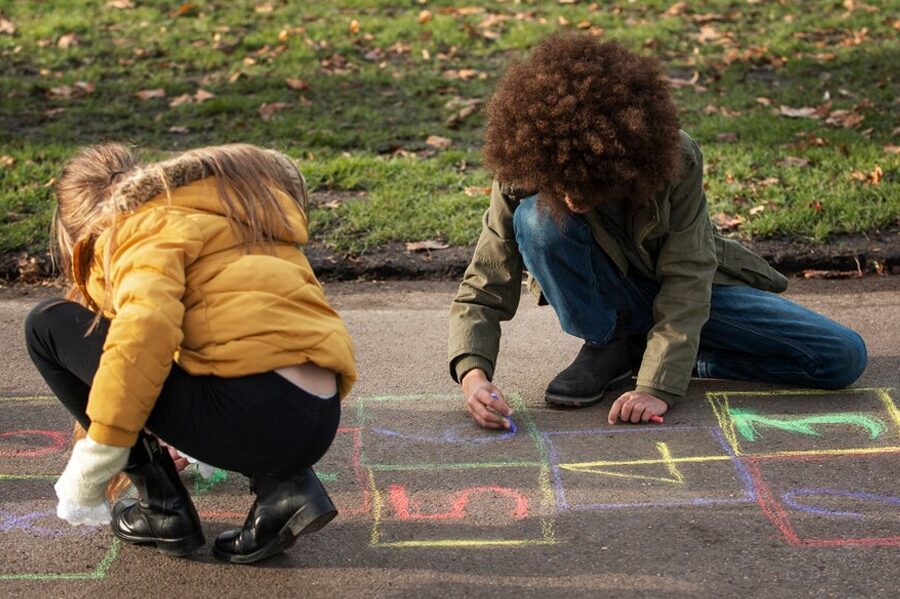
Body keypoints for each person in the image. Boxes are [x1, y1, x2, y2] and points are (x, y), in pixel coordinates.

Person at [448, 33, 867, 429]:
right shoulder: (523, 169)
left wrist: (657, 385)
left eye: (590, 184)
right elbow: (485, 282)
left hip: (679, 289)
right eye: (563, 185)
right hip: (610, 299)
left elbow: (687, 275)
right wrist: (474, 377)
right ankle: (610, 344)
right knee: (537, 219)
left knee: (841, 358)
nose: (574, 198)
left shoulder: (674, 159)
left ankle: (656, 353)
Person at [24, 143, 357, 564]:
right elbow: (231, 329)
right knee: (203, 334)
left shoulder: (133, 230)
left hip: (257, 415)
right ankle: (284, 492)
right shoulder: (221, 208)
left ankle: (161, 507)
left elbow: (142, 338)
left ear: (77, 230)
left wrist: (98, 456)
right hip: (318, 417)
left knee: (46, 324)